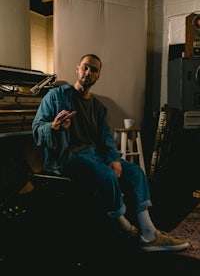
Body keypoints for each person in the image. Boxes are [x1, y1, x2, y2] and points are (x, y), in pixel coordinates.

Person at [32, 53, 189, 252]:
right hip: (68, 158)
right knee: (106, 174)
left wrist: (114, 158)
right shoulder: (56, 96)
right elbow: (37, 128)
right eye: (85, 67)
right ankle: (124, 227)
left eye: (94, 70)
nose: (88, 72)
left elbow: (106, 139)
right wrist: (53, 127)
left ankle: (150, 233)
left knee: (135, 172)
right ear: (77, 69)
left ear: (98, 76)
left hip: (94, 156)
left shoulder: (98, 108)